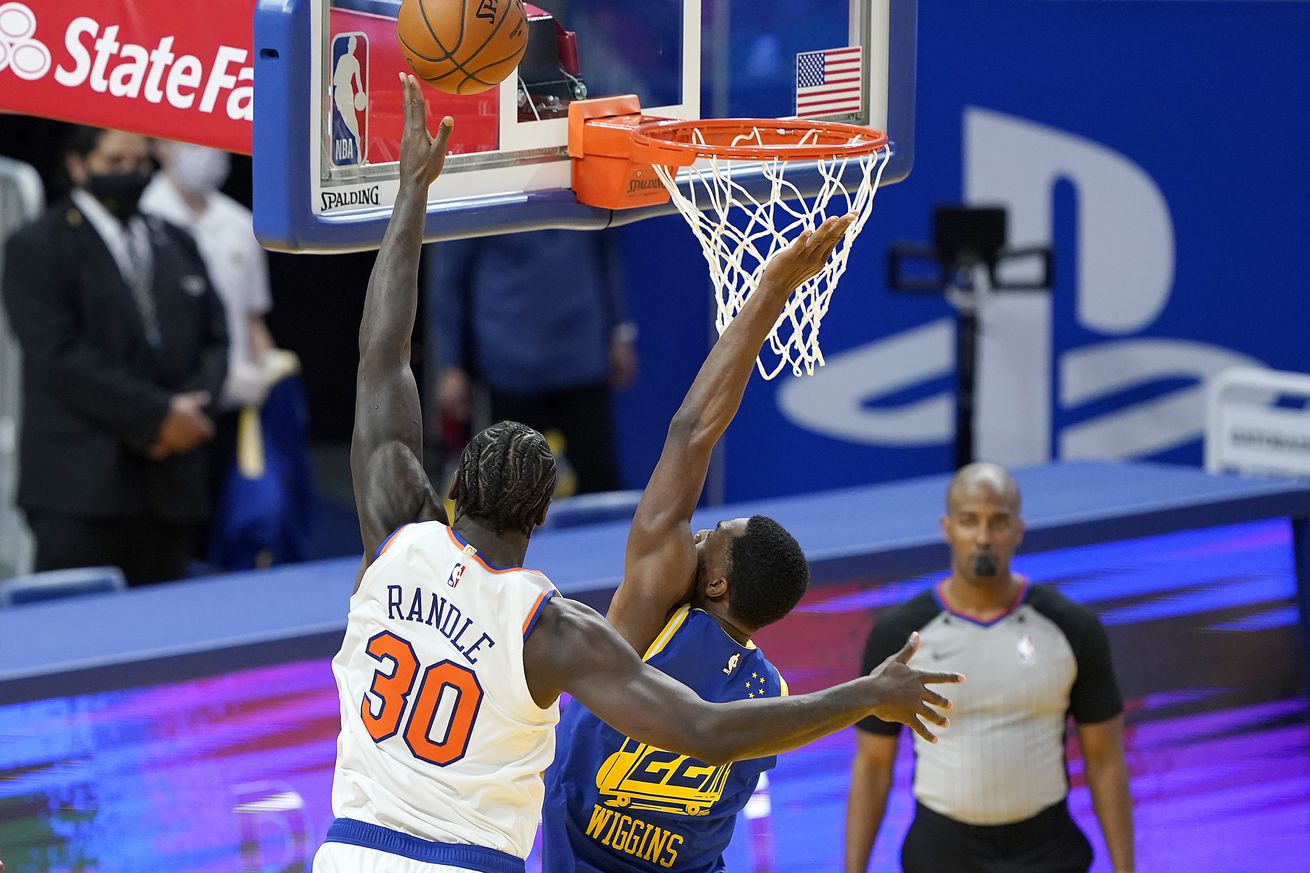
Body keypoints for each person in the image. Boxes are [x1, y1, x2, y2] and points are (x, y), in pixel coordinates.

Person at [312, 74, 963, 873]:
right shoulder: (549, 628)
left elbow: (383, 357)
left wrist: (412, 190)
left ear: (449, 490)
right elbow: (706, 733)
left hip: (352, 850)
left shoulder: (398, 545)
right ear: (543, 515)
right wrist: (865, 694)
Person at [541, 176, 847, 870]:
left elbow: (688, 434)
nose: (700, 532)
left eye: (712, 538)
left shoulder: (652, 620)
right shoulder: (770, 695)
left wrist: (768, 294)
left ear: (712, 582)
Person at [844, 463, 1135, 873]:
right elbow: (872, 765)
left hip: (1049, 851)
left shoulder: (1072, 628)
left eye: (998, 522)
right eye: (969, 521)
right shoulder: (900, 637)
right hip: (940, 853)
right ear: (947, 528)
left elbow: (1105, 759)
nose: (983, 537)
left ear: (1018, 529)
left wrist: (1126, 868)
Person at [0, 126, 228, 587]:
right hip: (81, 490)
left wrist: (191, 410)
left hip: (170, 487)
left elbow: (216, 338)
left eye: (141, 164)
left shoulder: (175, 240)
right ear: (77, 165)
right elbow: (56, 355)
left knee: (171, 644)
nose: (130, 174)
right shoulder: (37, 245)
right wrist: (158, 416)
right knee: (74, 641)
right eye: (115, 163)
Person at [427, 226, 637, 495]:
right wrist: (450, 366)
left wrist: (619, 331)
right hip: (512, 373)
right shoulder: (480, 189)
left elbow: (606, 251)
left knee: (600, 486)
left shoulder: (586, 188)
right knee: (512, 497)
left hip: (583, 364)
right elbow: (448, 281)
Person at [141, 141, 276, 411]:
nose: (208, 155)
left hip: (235, 399)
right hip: (166, 401)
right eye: (193, 145)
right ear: (160, 147)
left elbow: (252, 321)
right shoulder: (142, 218)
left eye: (214, 144)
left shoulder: (242, 223)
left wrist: (272, 370)